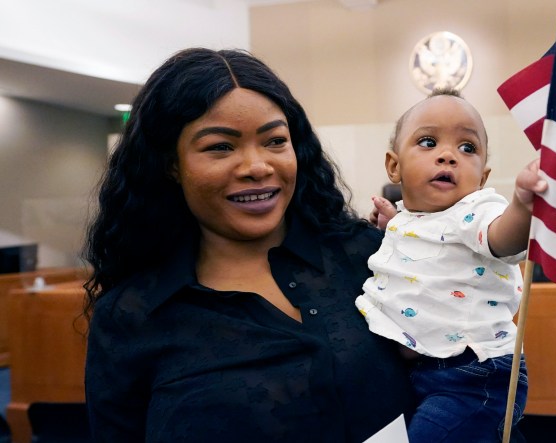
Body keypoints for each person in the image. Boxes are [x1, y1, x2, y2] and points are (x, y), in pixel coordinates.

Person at [81, 47, 415, 442]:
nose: (257, 166)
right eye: (220, 147)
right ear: (171, 164)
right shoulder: (133, 315)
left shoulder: (369, 257)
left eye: (275, 141)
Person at [356, 88, 547, 442]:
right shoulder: (408, 219)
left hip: (472, 375)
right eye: (428, 142)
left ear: (483, 178)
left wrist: (522, 206)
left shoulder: (475, 211)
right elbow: (424, 250)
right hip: (428, 369)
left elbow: (502, 238)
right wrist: (392, 227)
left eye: (467, 148)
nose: (448, 155)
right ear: (394, 166)